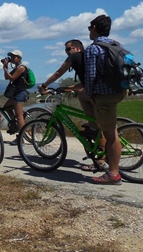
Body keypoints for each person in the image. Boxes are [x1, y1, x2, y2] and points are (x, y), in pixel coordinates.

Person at [38, 40, 105, 171]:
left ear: (77, 48)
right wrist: (66, 88)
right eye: (66, 50)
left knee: (99, 125)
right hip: (105, 90)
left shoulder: (75, 57)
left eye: (68, 49)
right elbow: (84, 84)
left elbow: (58, 73)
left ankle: (102, 160)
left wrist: (44, 85)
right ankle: (92, 126)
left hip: (98, 92)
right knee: (82, 94)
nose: (67, 53)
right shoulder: (88, 59)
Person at [84, 14, 127, 185]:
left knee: (110, 136)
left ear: (94, 28)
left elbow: (91, 75)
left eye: (89, 27)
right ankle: (106, 164)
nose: (88, 31)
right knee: (110, 129)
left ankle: (113, 174)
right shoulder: (116, 44)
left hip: (104, 95)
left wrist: (88, 94)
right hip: (120, 91)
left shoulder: (93, 49)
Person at [2, 50, 28, 135]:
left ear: (19, 58)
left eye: (14, 57)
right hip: (15, 93)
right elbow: (7, 77)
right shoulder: (16, 68)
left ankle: (21, 138)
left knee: (19, 117)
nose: (12, 59)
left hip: (20, 93)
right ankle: (14, 123)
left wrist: (6, 70)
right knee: (6, 107)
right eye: (11, 57)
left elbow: (12, 78)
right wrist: (5, 68)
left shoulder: (21, 67)